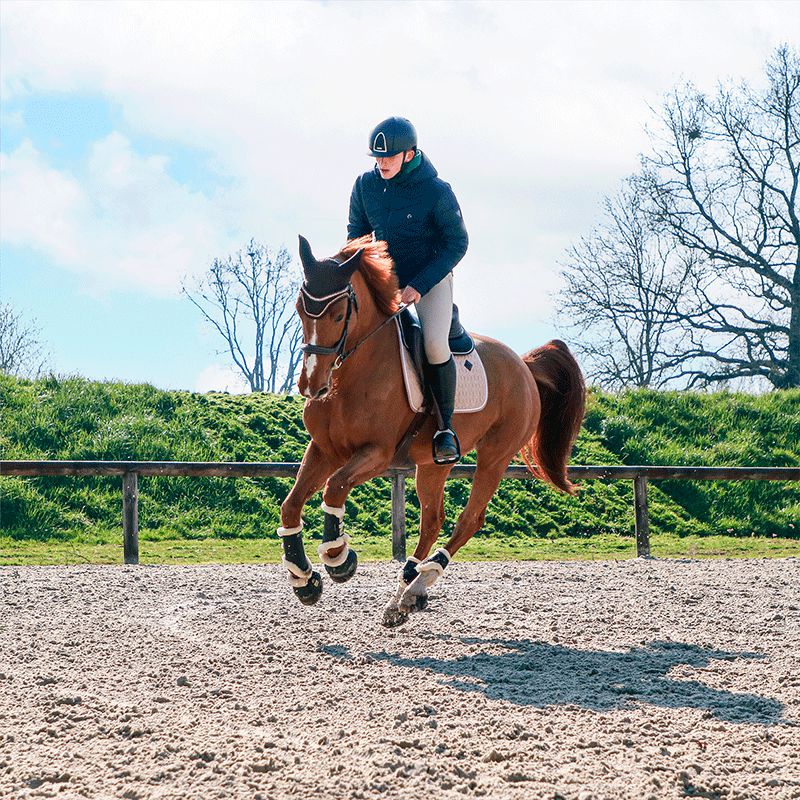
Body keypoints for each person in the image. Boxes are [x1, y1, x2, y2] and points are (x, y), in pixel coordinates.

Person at [347, 117, 469, 464]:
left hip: (429, 278)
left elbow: (457, 243)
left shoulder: (437, 191)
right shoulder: (364, 185)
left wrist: (418, 285)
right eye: (376, 157)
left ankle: (445, 430)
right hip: (385, 280)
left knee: (432, 342)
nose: (380, 163)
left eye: (388, 157)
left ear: (409, 154)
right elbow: (356, 234)